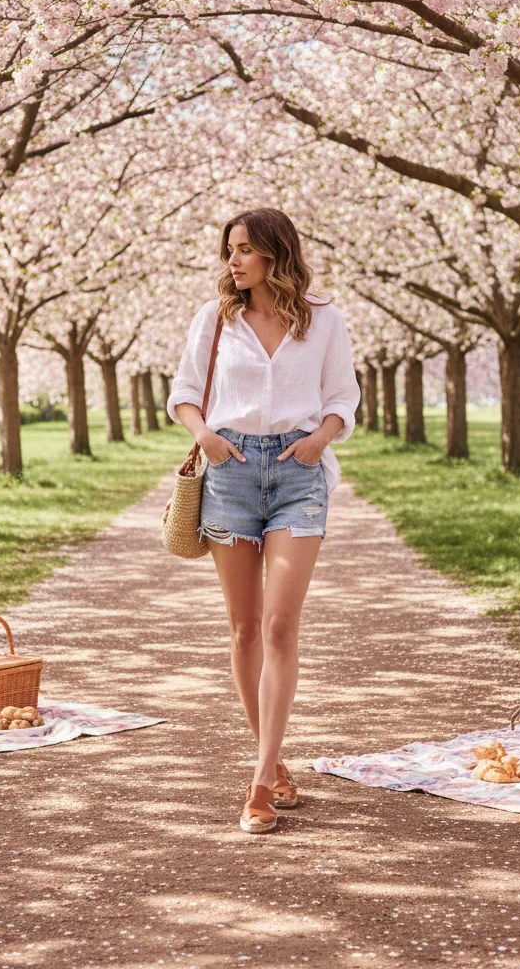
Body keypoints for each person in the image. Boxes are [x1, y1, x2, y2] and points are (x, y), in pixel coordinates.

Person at [168, 207, 360, 834]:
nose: (233, 260)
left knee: (279, 625)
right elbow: (183, 394)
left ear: (277, 253)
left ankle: (257, 783)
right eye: (230, 249)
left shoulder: (325, 320)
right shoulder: (215, 319)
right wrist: (207, 437)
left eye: (245, 248)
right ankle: (272, 761)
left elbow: (343, 398)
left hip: (298, 475)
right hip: (230, 475)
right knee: (245, 629)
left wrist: (318, 440)